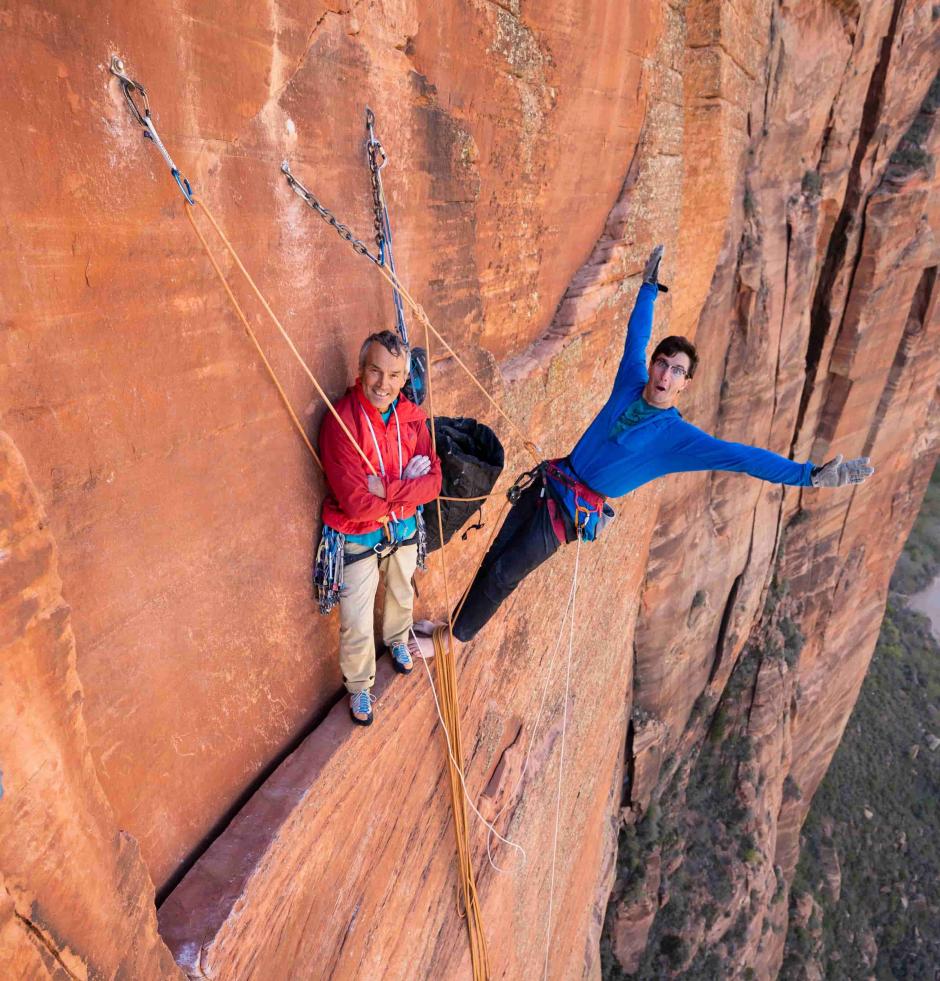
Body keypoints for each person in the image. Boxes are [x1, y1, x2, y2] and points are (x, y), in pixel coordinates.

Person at [452, 246, 874, 642]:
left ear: (685, 384)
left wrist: (811, 475)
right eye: (662, 364)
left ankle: (454, 638)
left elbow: (741, 458)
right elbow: (636, 336)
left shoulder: (678, 438)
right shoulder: (629, 384)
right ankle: (450, 624)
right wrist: (649, 289)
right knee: (495, 556)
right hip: (550, 482)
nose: (665, 375)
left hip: (567, 513)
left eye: (677, 371)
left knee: (507, 572)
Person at [319, 330, 442, 725]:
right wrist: (408, 487)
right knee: (355, 619)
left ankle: (397, 639)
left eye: (393, 375)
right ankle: (359, 686)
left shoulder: (411, 418)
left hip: (400, 527)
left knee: (402, 590)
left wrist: (388, 489)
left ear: (404, 379)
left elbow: (434, 483)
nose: (383, 384)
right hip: (357, 534)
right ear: (361, 370)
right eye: (375, 371)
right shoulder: (341, 422)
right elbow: (355, 501)